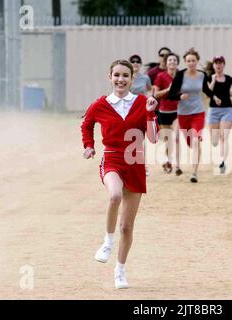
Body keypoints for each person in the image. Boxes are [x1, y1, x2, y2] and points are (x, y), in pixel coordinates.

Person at [81, 59, 159, 289]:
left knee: (127, 226)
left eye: (125, 75)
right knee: (114, 195)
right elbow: (86, 124)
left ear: (132, 79)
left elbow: (153, 138)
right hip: (112, 158)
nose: (120, 79)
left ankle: (120, 271)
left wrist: (152, 114)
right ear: (110, 77)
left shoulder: (143, 102)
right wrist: (88, 145)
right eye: (116, 75)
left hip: (135, 161)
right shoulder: (100, 104)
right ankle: (107, 241)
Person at [168, 48, 213, 183]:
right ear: (185, 62)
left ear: (197, 61)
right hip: (183, 114)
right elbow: (171, 95)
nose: (191, 63)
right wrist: (180, 96)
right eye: (188, 61)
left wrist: (214, 97)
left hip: (198, 113)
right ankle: (189, 161)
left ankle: (194, 173)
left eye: (193, 60)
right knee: (190, 143)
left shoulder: (202, 75)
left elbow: (205, 90)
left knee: (195, 140)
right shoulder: (180, 75)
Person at [206, 55, 232, 174]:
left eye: (220, 63)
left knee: (224, 136)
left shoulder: (229, 79)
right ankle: (219, 155)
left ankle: (223, 161)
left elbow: (225, 91)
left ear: (224, 65)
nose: (218, 65)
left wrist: (231, 93)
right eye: (216, 63)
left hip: (227, 110)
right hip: (213, 110)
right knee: (214, 140)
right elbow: (208, 92)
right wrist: (213, 80)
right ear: (213, 65)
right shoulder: (209, 78)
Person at [153, 52, 182, 175]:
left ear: (177, 62)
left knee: (175, 138)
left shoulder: (181, 76)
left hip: (177, 111)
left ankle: (177, 166)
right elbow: (156, 94)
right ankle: (167, 161)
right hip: (164, 112)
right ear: (166, 63)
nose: (172, 62)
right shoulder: (160, 76)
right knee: (167, 140)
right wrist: (168, 90)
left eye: (174, 60)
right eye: (170, 60)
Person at [129, 54, 152, 176]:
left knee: (140, 138)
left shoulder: (145, 78)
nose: (135, 63)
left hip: (141, 110)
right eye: (133, 62)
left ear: (141, 64)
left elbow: (149, 89)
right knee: (129, 138)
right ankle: (131, 164)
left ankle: (142, 165)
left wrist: (149, 99)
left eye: (138, 61)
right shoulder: (127, 78)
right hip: (129, 111)